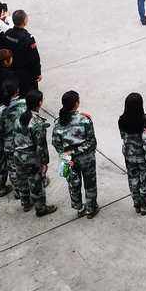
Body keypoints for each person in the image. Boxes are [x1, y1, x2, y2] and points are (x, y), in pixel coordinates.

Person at [53, 90, 98, 219]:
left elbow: (56, 143)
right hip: (85, 158)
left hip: (68, 159)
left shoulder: (58, 123)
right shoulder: (84, 120)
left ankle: (79, 207)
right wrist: (80, 151)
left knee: (73, 183)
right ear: (76, 104)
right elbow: (92, 141)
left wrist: (67, 154)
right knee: (90, 183)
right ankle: (91, 208)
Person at [12, 90, 57, 217]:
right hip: (31, 158)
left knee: (22, 180)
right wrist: (44, 163)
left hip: (18, 155)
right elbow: (41, 146)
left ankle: (26, 203)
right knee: (36, 183)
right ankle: (41, 209)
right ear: (40, 103)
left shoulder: (19, 118)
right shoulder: (37, 123)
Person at [119, 93, 146, 215]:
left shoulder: (122, 120)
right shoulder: (144, 120)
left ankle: (136, 203)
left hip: (129, 153)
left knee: (133, 178)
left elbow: (122, 136)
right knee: (145, 178)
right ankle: (145, 204)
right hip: (142, 154)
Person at [1, 9, 41, 87]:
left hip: (10, 68)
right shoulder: (28, 38)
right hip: (25, 71)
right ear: (24, 21)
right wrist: (37, 73)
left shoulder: (8, 33)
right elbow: (34, 58)